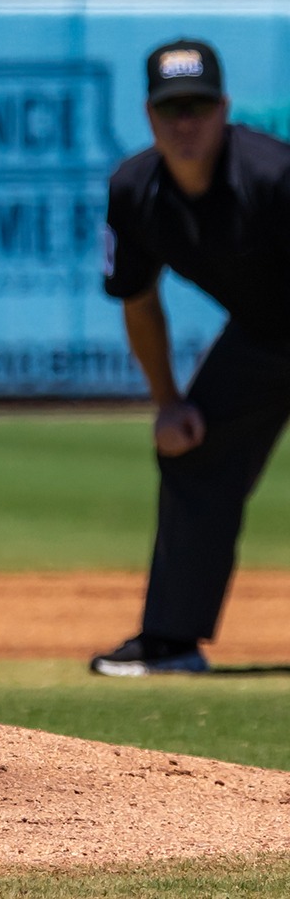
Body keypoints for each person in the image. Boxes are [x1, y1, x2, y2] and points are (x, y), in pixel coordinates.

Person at [91, 37, 290, 676]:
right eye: (172, 107)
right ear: (149, 114)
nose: (186, 123)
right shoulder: (134, 190)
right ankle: (171, 641)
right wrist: (169, 402)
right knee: (192, 446)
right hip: (264, 334)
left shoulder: (273, 176)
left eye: (198, 107)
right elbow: (138, 299)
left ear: (223, 110)